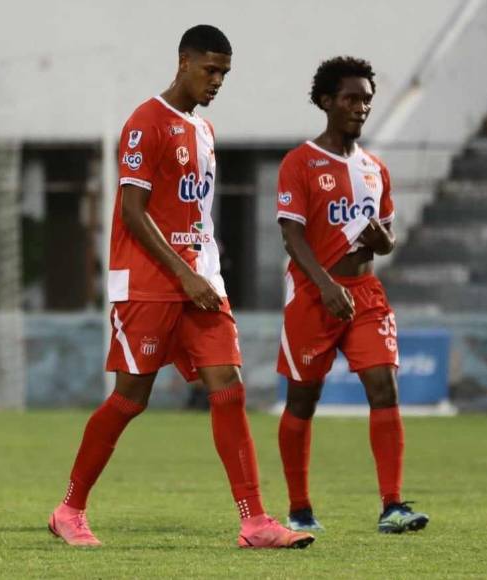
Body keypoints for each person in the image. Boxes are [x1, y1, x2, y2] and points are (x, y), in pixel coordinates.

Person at [48, 25, 313, 549]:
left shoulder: (204, 130)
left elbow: (197, 214)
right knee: (130, 398)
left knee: (229, 387)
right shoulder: (146, 123)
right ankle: (69, 509)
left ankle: (255, 521)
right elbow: (131, 211)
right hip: (148, 284)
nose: (217, 81)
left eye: (224, 74)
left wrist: (206, 272)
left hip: (199, 280)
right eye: (210, 70)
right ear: (183, 61)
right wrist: (183, 273)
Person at [275, 56, 429, 535]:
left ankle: (393, 506)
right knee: (303, 400)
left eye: (366, 98)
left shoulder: (375, 169)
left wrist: (386, 242)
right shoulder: (299, 162)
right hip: (312, 293)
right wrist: (325, 285)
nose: (361, 106)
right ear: (326, 102)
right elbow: (291, 235)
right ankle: (299, 509)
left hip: (365, 293)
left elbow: (385, 232)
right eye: (350, 97)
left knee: (384, 388)